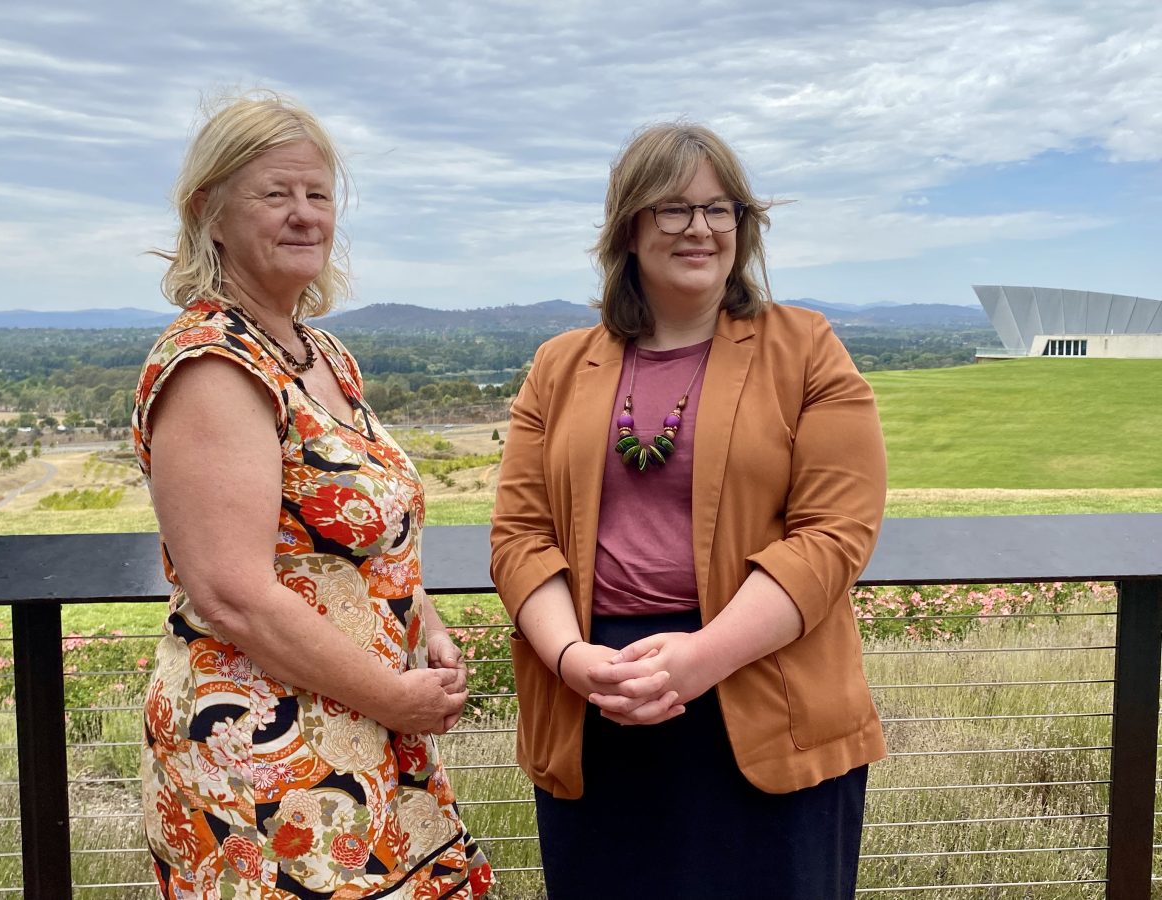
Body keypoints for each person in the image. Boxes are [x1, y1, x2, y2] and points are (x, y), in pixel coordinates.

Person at [490, 123, 887, 899]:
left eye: (719, 208)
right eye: (673, 208)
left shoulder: (806, 347)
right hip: (594, 710)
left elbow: (834, 533)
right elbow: (520, 538)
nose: (699, 228)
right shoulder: (558, 366)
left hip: (767, 703)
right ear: (629, 227)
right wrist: (572, 660)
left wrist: (704, 658)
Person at [133, 93, 492, 898]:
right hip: (263, 759)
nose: (304, 215)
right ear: (210, 211)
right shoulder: (213, 365)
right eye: (276, 194)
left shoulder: (322, 353)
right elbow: (234, 595)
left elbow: (366, 538)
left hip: (360, 733)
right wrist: (396, 696)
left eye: (318, 194)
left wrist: (427, 629)